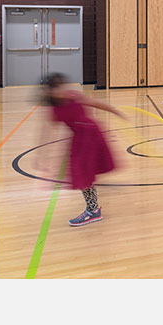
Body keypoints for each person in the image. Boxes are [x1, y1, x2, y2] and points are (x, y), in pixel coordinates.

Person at [44, 73, 123, 227]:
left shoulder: (73, 96)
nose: (61, 90)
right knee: (80, 174)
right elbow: (48, 131)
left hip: (91, 136)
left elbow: (96, 104)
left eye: (62, 86)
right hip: (80, 139)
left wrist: (116, 111)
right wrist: (45, 157)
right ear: (50, 92)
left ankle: (93, 211)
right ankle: (93, 209)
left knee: (82, 174)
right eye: (56, 88)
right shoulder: (55, 110)